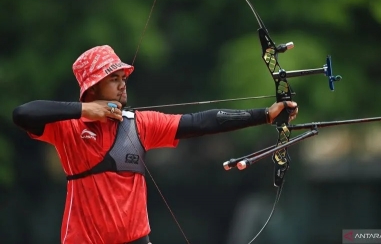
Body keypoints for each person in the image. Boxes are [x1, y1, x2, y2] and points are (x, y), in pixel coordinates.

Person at [12, 45, 298, 244]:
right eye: (114, 79)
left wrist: (264, 115)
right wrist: (85, 111)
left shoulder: (138, 124)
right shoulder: (70, 128)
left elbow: (199, 122)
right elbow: (23, 114)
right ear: (93, 86)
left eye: (123, 78)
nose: (123, 85)